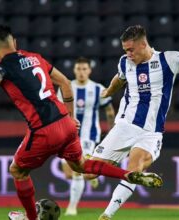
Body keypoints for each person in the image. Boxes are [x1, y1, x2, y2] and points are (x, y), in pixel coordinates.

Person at [0, 24, 163, 220]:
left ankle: (31, 218)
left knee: (17, 170)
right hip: (66, 123)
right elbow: (66, 83)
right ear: (14, 42)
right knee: (82, 166)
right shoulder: (35, 57)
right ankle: (128, 175)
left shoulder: (2, 66)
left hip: (43, 129)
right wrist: (71, 116)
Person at [85, 25, 179, 220]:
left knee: (135, 167)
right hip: (124, 127)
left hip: (151, 132)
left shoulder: (166, 60)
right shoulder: (125, 62)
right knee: (88, 173)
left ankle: (106, 215)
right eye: (125, 50)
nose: (128, 54)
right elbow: (119, 79)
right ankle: (112, 168)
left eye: (131, 49)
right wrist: (107, 92)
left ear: (143, 44)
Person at [58, 57, 116, 216]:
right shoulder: (66, 88)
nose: (81, 72)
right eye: (79, 69)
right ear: (74, 70)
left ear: (89, 70)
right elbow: (57, 111)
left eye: (84, 69)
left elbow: (109, 111)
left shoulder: (98, 88)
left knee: (77, 172)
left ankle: (71, 208)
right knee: (69, 173)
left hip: (88, 137)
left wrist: (112, 133)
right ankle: (90, 176)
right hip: (66, 136)